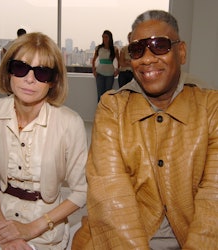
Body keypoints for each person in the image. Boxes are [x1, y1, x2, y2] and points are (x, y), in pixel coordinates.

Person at [72, 9, 218, 249]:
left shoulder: (210, 107)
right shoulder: (113, 107)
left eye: (159, 45)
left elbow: (213, 198)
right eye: (137, 50)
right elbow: (109, 193)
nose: (147, 58)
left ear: (181, 52)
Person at [0, 32, 88, 250]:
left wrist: (32, 229)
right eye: (21, 68)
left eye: (42, 72)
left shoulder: (70, 123)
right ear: (9, 72)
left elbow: (82, 191)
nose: (30, 79)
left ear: (53, 81)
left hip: (44, 227)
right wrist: (3, 229)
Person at [92, 30, 119, 102]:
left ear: (110, 38)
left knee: (108, 95)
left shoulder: (114, 49)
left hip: (110, 74)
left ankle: (106, 112)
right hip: (100, 73)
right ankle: (99, 112)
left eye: (106, 37)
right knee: (100, 95)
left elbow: (118, 61)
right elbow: (94, 60)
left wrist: (117, 70)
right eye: (103, 37)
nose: (104, 39)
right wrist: (94, 70)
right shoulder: (99, 48)